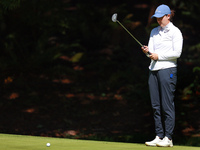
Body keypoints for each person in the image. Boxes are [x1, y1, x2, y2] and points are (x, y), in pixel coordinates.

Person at [141, 4, 183, 147]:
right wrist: (147, 51)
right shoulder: (154, 31)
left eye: (160, 18)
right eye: (156, 18)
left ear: (168, 16)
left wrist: (159, 56)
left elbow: (177, 53)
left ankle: (168, 138)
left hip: (168, 70)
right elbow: (151, 53)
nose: (158, 21)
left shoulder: (175, 32)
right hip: (153, 70)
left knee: (167, 105)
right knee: (155, 105)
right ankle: (159, 136)